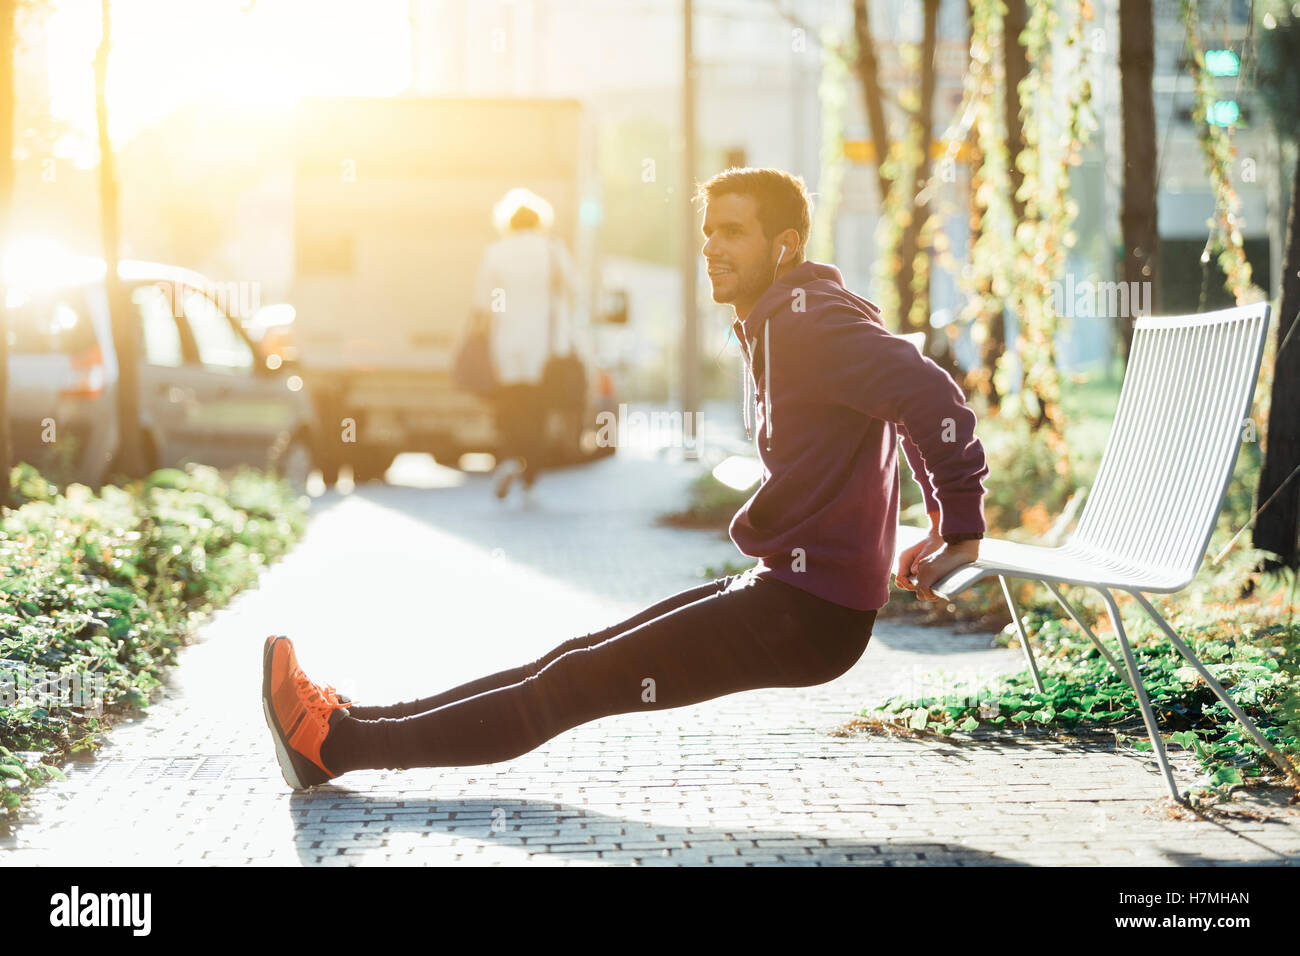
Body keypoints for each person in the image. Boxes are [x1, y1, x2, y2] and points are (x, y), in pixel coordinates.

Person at [261, 167, 989, 791]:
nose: (712, 248)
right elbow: (907, 401)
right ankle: (347, 724)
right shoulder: (785, 317)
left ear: (784, 245)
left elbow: (930, 398)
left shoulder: (807, 322)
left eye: (733, 233)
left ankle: (334, 748)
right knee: (569, 662)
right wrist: (938, 520)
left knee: (568, 689)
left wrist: (958, 527)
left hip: (808, 613)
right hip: (792, 593)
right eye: (708, 234)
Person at [471, 188, 579, 502]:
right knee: (537, 412)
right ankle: (529, 473)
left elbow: (483, 301)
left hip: (506, 343)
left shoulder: (496, 252)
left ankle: (510, 458)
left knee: (510, 408)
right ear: (539, 221)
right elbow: (574, 288)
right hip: (544, 347)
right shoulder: (552, 250)